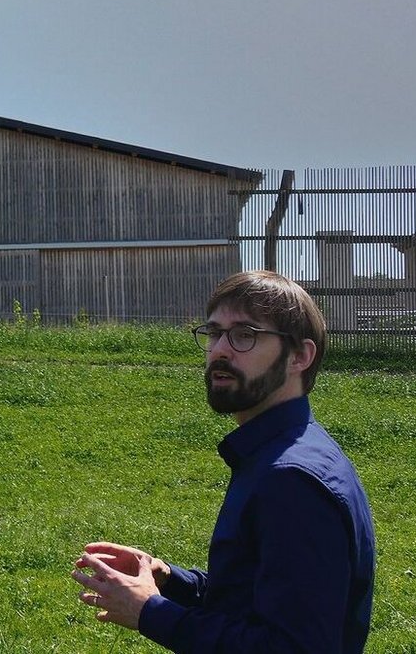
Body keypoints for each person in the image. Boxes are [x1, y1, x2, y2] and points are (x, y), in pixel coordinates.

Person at [71, 270, 375, 653]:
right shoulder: (278, 454)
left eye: (245, 335)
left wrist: (149, 611)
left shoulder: (291, 480)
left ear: (300, 356)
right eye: (215, 333)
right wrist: (167, 580)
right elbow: (252, 599)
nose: (219, 350)